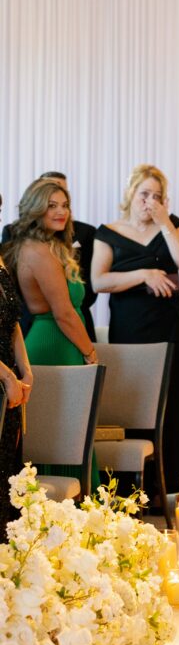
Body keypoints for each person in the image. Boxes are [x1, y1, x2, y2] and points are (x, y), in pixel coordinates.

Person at [91, 165, 179, 496]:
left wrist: (165, 221)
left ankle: (175, 490)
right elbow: (98, 280)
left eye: (157, 195)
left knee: (173, 407)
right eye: (144, 194)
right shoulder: (108, 232)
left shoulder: (171, 224)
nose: (149, 201)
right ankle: (131, 493)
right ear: (130, 195)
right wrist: (144, 274)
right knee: (134, 403)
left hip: (170, 331)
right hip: (131, 333)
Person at [1, 171, 97, 342]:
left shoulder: (77, 235)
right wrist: (90, 353)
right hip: (39, 330)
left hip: (74, 327)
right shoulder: (30, 246)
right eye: (52, 205)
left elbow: (90, 285)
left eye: (65, 205)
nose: (61, 211)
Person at [0, 193, 32, 540]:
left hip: (8, 382)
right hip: (1, 378)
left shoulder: (0, 258)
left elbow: (12, 319)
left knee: (8, 474)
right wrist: (7, 375)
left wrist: (25, 369)